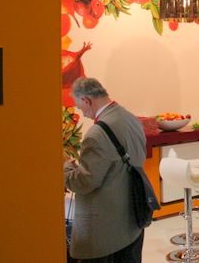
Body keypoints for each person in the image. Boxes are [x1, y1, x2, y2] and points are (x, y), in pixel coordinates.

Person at [64, 77, 147, 262]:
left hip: (106, 230)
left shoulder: (96, 135)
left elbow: (85, 182)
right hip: (133, 219)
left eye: (80, 108)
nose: (84, 114)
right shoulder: (129, 118)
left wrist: (67, 168)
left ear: (86, 100)